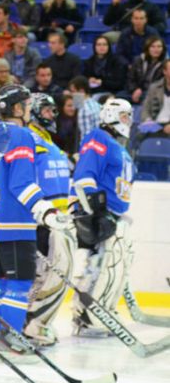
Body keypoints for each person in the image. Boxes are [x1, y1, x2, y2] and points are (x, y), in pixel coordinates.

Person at [0, 84, 72, 357]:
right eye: (27, 105)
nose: (30, 109)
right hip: (15, 222)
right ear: (17, 108)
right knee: (20, 284)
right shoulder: (21, 135)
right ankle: (11, 335)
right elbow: (21, 183)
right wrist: (44, 209)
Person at [70, 98, 134, 336]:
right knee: (104, 262)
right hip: (96, 211)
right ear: (111, 115)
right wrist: (95, 212)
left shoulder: (120, 146)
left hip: (111, 214)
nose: (128, 121)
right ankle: (93, 313)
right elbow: (85, 176)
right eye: (125, 116)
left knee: (108, 263)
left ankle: (94, 310)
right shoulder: (99, 138)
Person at [22, 93, 74, 347]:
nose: (52, 116)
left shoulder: (49, 142)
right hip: (41, 221)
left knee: (49, 274)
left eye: (54, 111)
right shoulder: (29, 138)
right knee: (47, 275)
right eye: (47, 111)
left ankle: (33, 323)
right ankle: (33, 325)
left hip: (58, 221)